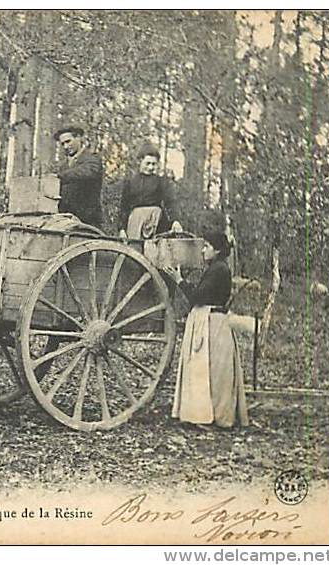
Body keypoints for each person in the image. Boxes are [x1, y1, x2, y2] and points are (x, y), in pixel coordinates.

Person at [164, 231, 249, 429]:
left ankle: (217, 416)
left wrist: (179, 281)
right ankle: (204, 414)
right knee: (207, 369)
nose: (203, 250)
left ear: (217, 250)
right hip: (208, 320)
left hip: (213, 324)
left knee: (213, 370)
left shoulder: (220, 270)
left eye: (207, 246)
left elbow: (198, 297)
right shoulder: (215, 268)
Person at [117, 142, 180, 239]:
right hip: (135, 222)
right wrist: (121, 229)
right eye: (148, 163)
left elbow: (170, 202)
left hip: (156, 221)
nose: (150, 167)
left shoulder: (161, 182)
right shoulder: (130, 182)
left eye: (154, 164)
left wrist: (175, 221)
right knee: (134, 248)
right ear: (140, 161)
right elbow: (124, 207)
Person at [52, 124, 103, 227]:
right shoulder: (63, 166)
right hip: (65, 222)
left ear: (79, 138)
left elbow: (86, 172)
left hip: (87, 221)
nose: (65, 147)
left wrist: (58, 177)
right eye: (62, 144)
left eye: (68, 141)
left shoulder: (92, 159)